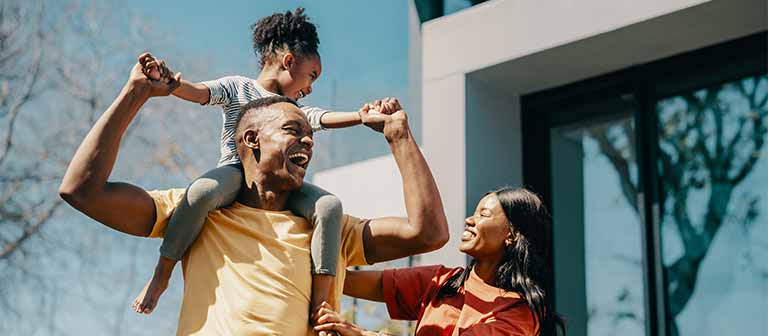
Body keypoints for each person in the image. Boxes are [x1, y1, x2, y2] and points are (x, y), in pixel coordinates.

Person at [58, 60, 449, 335]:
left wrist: (398, 136)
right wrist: (136, 93)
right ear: (251, 140)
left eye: (309, 133)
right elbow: (81, 191)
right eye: (293, 131)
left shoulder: (328, 228)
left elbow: (427, 233)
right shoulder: (198, 212)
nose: (308, 140)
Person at [132, 7, 393, 315]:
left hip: (280, 183)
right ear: (288, 62)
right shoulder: (237, 87)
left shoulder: (292, 109)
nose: (310, 87)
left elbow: (321, 118)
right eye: (311, 76)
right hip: (236, 173)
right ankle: (162, 273)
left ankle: (322, 300)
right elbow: (200, 92)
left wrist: (360, 117)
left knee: (329, 207)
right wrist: (172, 85)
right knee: (200, 193)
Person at [313, 188, 566, 336]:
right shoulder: (443, 282)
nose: (469, 220)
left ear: (512, 234)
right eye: (474, 212)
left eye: (483, 214)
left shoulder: (519, 312)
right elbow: (346, 280)